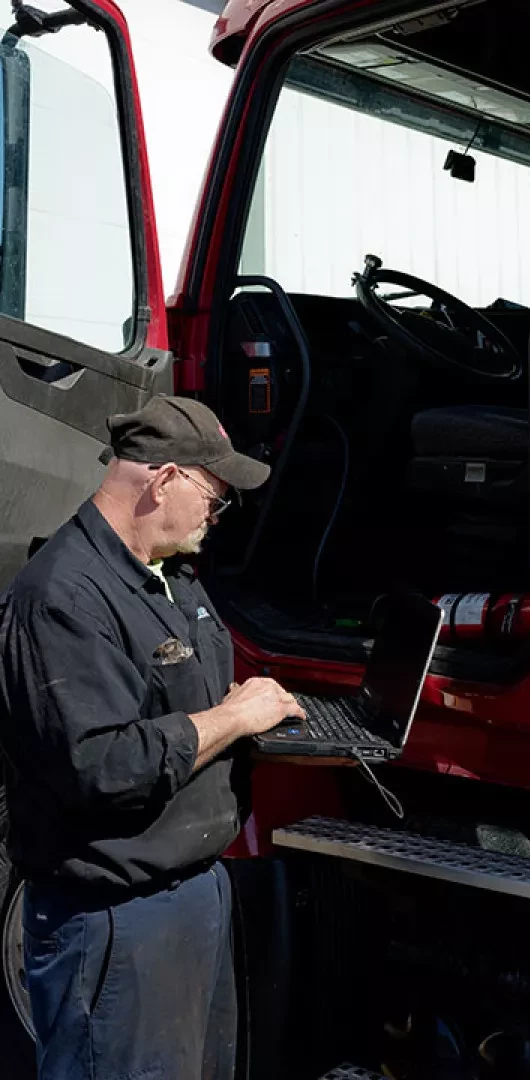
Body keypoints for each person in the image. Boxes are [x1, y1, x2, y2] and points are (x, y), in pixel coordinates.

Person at [0, 395, 304, 1080]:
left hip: (190, 893)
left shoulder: (172, 576)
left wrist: (251, 714)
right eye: (214, 498)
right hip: (114, 923)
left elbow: (179, 704)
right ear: (165, 479)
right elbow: (102, 766)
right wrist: (234, 717)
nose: (216, 517)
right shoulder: (61, 600)